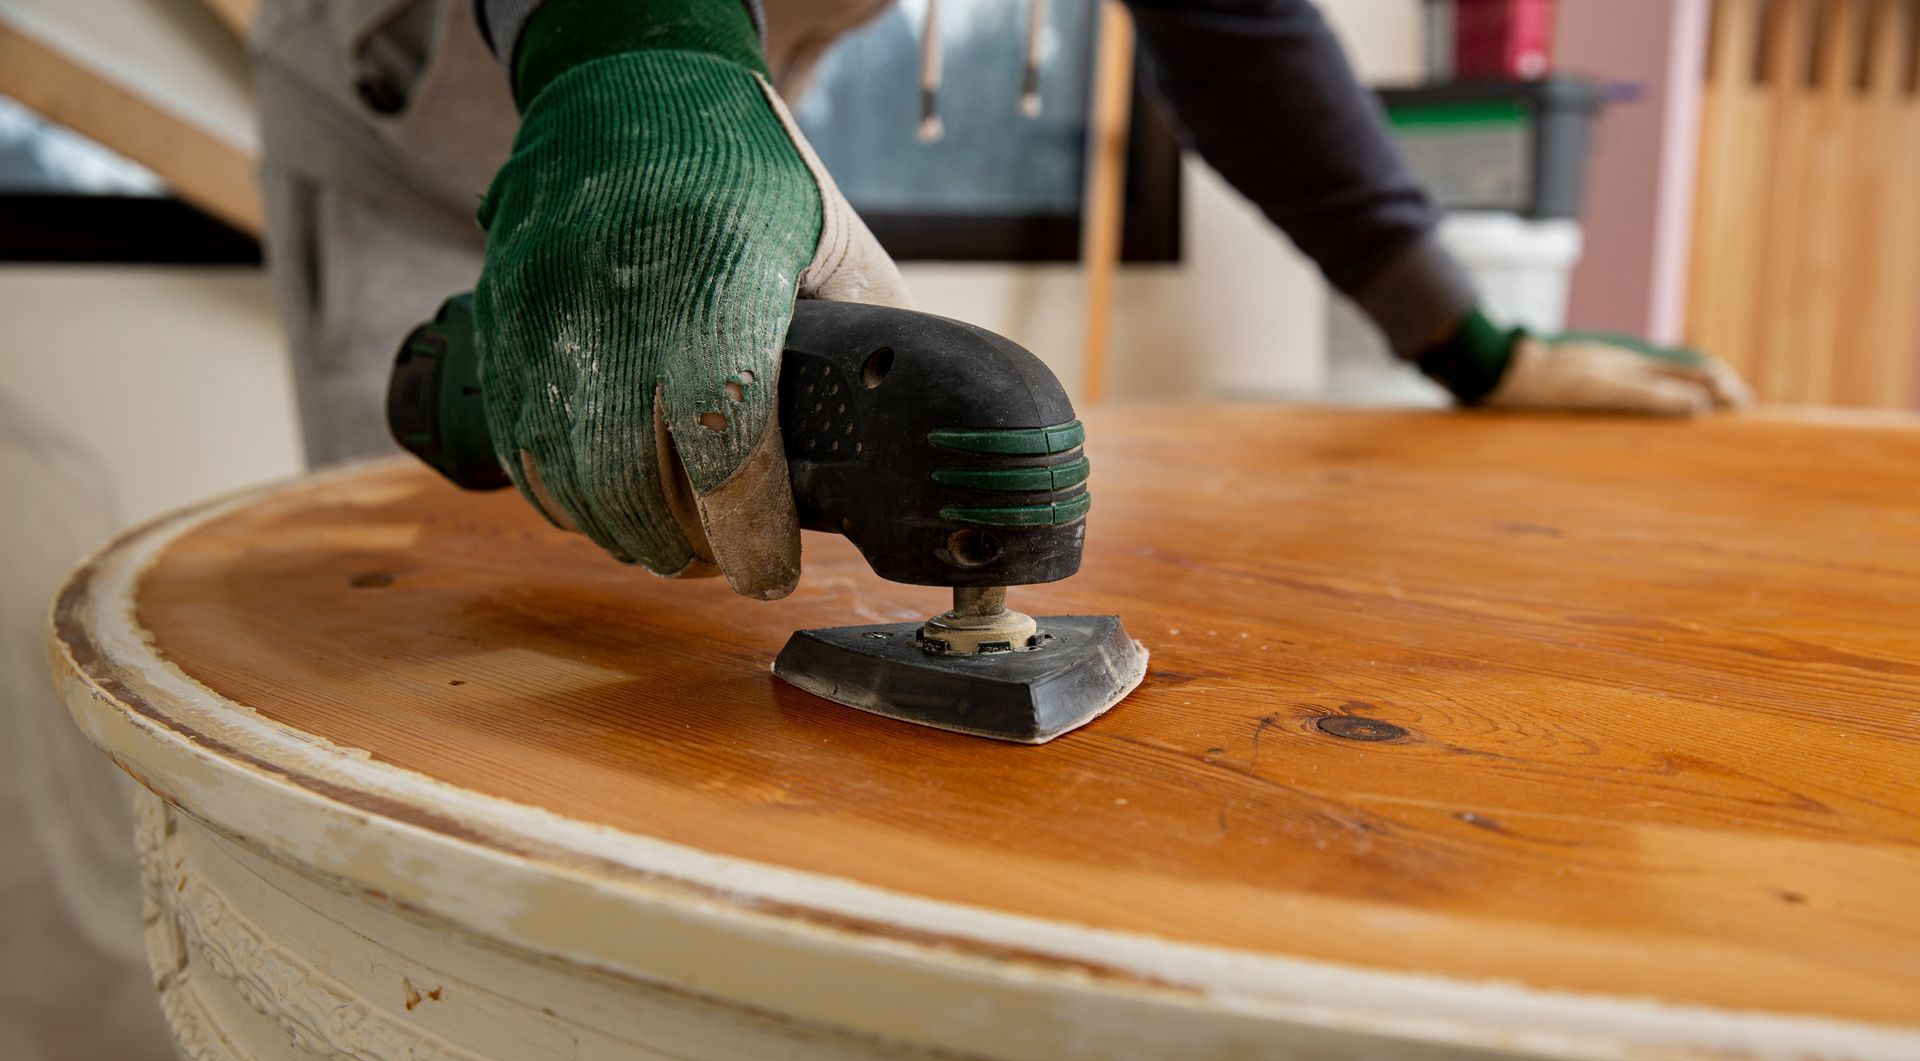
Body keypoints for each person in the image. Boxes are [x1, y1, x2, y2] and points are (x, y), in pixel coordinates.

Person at [252, 0, 1750, 603]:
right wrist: (626, 40)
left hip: (721, 72)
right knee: (418, 620)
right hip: (414, 100)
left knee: (671, 592)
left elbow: (1239, 34)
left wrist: (1461, 333)